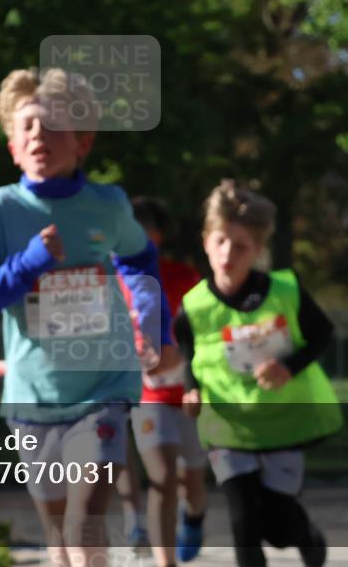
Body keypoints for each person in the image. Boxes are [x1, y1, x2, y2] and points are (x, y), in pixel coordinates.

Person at [0, 67, 179, 567]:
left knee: (83, 527)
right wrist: (28, 263)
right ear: (13, 147)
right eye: (27, 126)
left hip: (103, 389)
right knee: (59, 542)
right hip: (33, 398)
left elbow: (140, 259)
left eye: (53, 125)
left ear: (83, 142)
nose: (39, 135)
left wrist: (153, 325)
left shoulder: (107, 205)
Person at [179, 179, 343, 567]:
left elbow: (322, 334)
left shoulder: (284, 290)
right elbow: (190, 353)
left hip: (282, 424)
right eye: (220, 241)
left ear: (257, 250)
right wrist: (191, 389)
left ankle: (306, 535)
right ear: (206, 241)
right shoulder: (193, 306)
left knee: (278, 528)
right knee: (243, 525)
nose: (227, 253)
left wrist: (288, 366)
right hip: (228, 427)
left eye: (240, 246)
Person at [114, 197, 209, 566]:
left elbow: (202, 337)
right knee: (163, 477)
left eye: (143, 232)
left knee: (192, 482)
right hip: (147, 394)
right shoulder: (112, 280)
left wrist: (186, 369)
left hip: (187, 392)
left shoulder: (184, 278)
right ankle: (161, 556)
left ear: (157, 235)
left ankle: (195, 517)